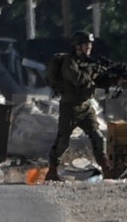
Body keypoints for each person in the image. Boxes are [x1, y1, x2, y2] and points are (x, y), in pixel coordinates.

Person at [45, 30, 114, 182]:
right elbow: (80, 80)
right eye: (85, 45)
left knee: (98, 137)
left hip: (85, 106)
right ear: (77, 46)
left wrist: (110, 78)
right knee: (63, 141)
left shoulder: (88, 63)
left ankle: (107, 169)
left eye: (89, 45)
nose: (88, 48)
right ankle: (52, 171)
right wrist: (95, 74)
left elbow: (96, 80)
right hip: (70, 107)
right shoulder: (69, 63)